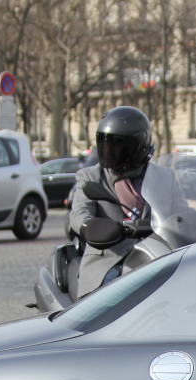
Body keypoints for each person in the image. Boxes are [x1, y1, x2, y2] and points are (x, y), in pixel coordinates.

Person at [69, 106, 162, 297]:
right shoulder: (90, 176)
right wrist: (91, 228)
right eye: (104, 142)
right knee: (110, 303)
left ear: (136, 146)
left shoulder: (161, 176)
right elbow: (79, 213)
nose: (108, 150)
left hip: (156, 254)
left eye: (116, 144)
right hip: (110, 259)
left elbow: (180, 208)